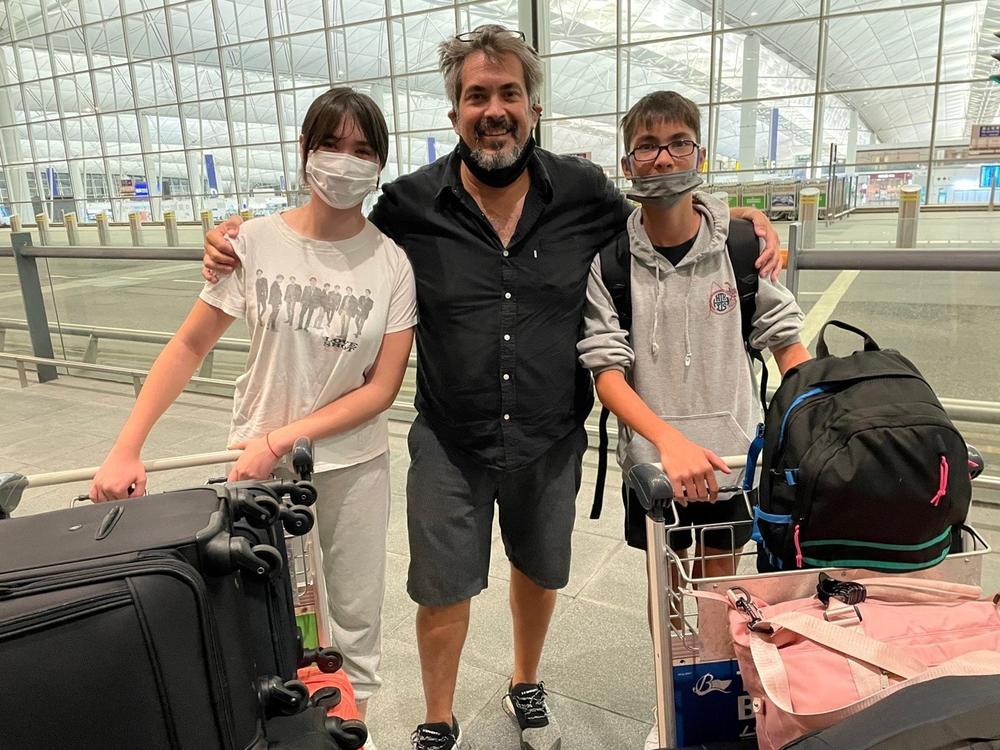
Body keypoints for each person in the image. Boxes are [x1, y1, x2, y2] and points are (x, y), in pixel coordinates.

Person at [201, 26, 782, 750]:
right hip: (451, 437)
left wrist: (743, 220)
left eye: (509, 93)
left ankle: (525, 682)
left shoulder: (583, 194)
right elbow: (332, 241)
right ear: (455, 114)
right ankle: (439, 717)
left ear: (533, 109)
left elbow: (662, 213)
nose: (494, 108)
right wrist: (235, 237)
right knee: (441, 588)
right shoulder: (411, 207)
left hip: (550, 433)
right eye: (477, 95)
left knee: (539, 571)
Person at [90, 87, 417, 739]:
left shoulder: (392, 263)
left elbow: (380, 389)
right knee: (264, 614)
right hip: (255, 468)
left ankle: (352, 733)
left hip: (353, 465)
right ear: (304, 151)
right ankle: (285, 733)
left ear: (378, 164)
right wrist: (126, 447)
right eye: (331, 145)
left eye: (362, 150)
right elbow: (188, 344)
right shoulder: (256, 243)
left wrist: (283, 437)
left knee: (353, 620)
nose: (344, 162)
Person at [575, 91, 811, 750]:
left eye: (679, 143)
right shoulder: (610, 262)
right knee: (663, 586)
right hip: (655, 467)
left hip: (730, 459)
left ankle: (711, 705)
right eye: (649, 147)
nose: (664, 158)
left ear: (699, 154)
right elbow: (608, 372)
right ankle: (670, 697)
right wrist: (665, 441)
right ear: (630, 163)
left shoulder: (737, 246)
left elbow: (784, 336)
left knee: (716, 583)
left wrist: (810, 405)